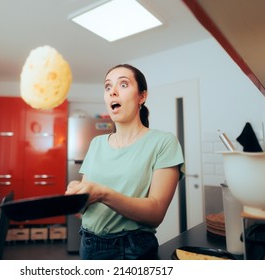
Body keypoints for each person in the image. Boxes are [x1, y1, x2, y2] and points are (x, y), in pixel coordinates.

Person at [65, 64, 185, 260]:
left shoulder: (163, 142)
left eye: (123, 84)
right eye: (107, 87)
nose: (112, 91)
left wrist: (103, 193)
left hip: (132, 250)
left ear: (142, 97)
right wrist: (77, 193)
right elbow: (84, 205)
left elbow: (156, 213)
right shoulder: (96, 143)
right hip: (88, 245)